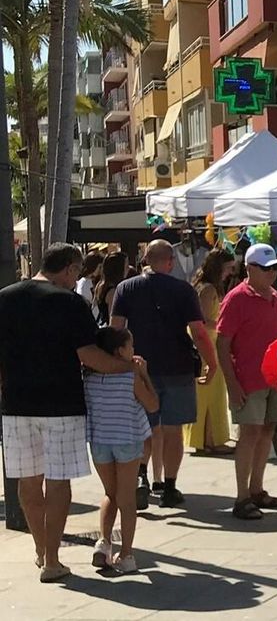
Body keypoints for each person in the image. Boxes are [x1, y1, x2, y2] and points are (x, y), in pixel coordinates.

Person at [0, 243, 134, 583]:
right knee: (58, 482)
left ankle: (41, 550)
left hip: (16, 404)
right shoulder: (70, 302)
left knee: (28, 481)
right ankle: (52, 560)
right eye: (78, 275)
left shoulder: (5, 297)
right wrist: (125, 366)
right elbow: (89, 355)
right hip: (62, 404)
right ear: (70, 269)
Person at [110, 239, 219, 510]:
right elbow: (198, 331)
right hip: (177, 368)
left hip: (139, 368)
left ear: (146, 260)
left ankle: (141, 477)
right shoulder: (183, 290)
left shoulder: (126, 288)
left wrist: (118, 364)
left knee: (144, 428)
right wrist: (211, 362)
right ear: (169, 261)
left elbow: (115, 330)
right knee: (172, 431)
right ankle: (169, 487)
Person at [216, 243, 277, 520]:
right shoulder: (236, 299)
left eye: (274, 269)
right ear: (249, 269)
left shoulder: (275, 297)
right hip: (248, 378)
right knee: (249, 434)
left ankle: (257, 489)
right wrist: (232, 384)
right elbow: (222, 344)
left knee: (267, 430)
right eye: (266, 269)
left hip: (275, 378)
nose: (272, 274)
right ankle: (242, 497)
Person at [85, 327, 159, 575]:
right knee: (127, 499)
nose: (134, 351)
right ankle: (126, 554)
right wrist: (144, 374)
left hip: (100, 442)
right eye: (131, 346)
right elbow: (152, 404)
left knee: (110, 493)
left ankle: (104, 542)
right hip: (127, 439)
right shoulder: (130, 377)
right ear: (119, 351)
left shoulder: (91, 379)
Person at [187, 250, 234, 456]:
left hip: (208, 341)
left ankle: (208, 439)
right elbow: (205, 320)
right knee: (210, 395)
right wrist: (228, 325)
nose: (230, 272)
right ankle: (209, 440)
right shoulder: (207, 290)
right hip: (208, 342)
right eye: (227, 268)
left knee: (211, 394)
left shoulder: (204, 287)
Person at [92, 252, 129, 325]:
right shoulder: (113, 292)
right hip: (110, 333)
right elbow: (113, 321)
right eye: (126, 266)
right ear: (118, 269)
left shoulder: (100, 284)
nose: (128, 269)